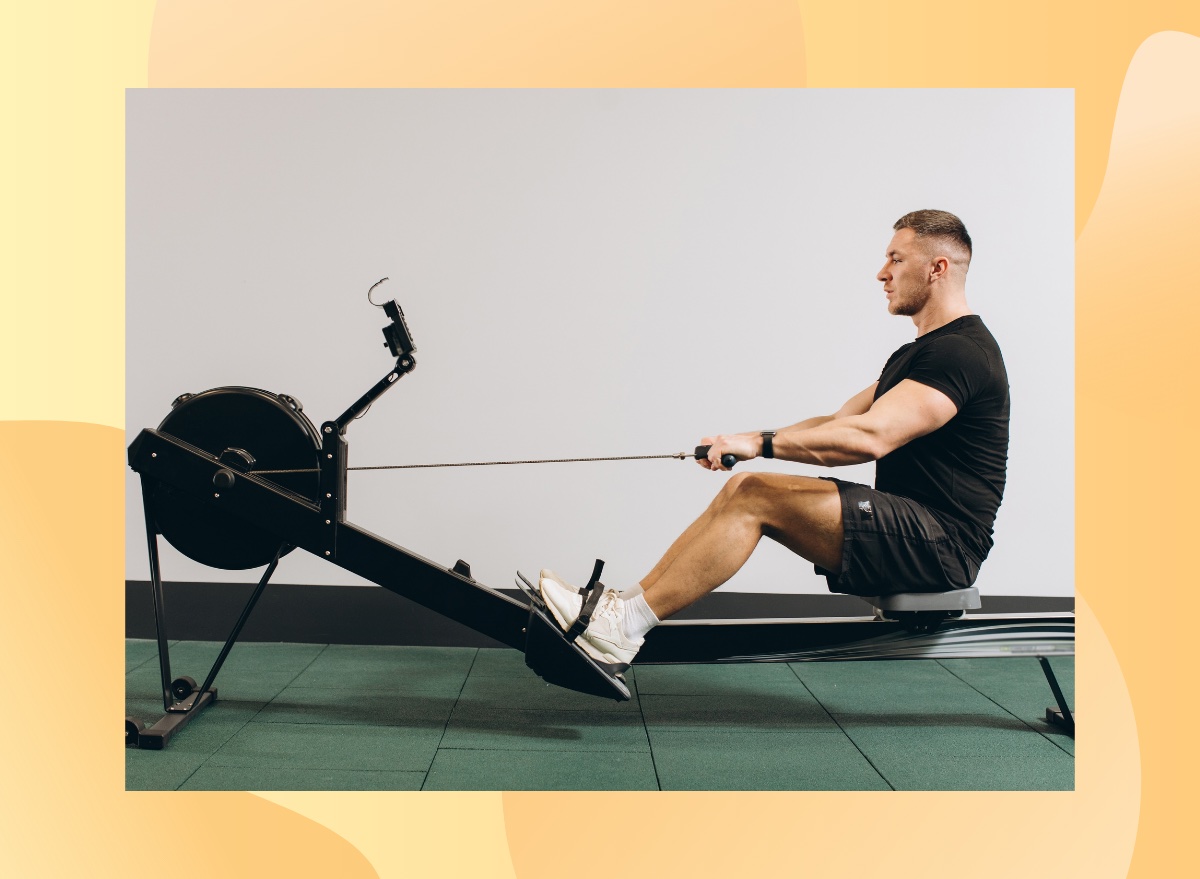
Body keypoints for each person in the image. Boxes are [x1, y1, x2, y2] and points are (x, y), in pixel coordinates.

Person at [539, 209, 1010, 676]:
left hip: (943, 546)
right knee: (744, 491)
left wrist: (760, 445)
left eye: (896, 259)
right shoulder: (920, 352)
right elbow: (838, 420)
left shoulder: (961, 353)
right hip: (912, 528)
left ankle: (625, 627)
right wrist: (739, 440)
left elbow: (871, 436)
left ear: (937, 268)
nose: (881, 273)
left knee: (755, 494)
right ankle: (622, 611)